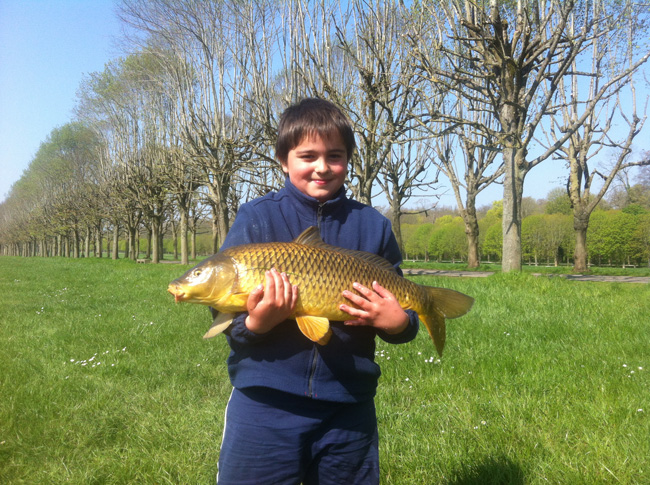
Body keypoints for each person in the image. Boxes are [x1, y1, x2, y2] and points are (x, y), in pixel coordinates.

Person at [215, 97, 419, 484]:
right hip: (264, 404)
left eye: (335, 156)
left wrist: (397, 325)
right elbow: (226, 319)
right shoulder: (256, 218)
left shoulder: (373, 226)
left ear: (349, 159)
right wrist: (256, 323)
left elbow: (402, 314)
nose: (322, 167)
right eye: (307, 155)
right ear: (283, 159)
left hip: (348, 406)